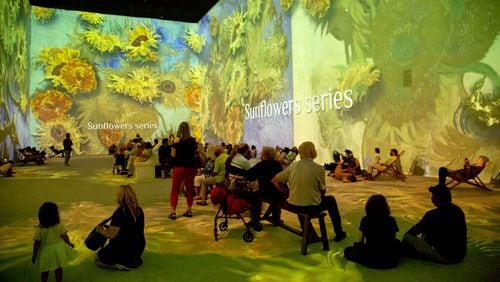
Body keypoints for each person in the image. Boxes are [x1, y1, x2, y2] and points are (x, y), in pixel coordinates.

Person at [272, 141, 347, 241]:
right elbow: (322, 191)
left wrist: (288, 192)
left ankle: (309, 233)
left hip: (293, 204)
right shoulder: (319, 169)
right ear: (312, 152)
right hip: (310, 206)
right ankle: (339, 232)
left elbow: (275, 181)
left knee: (302, 201)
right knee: (331, 200)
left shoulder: (293, 166)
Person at [402, 184, 467, 264]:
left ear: (435, 198)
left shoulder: (432, 214)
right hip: (459, 255)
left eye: (433, 195)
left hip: (444, 256)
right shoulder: (458, 211)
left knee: (407, 238)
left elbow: (411, 233)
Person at [96, 184, 145, 270]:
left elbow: (111, 235)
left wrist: (100, 230)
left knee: (99, 256)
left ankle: (121, 263)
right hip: (139, 246)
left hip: (123, 249)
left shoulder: (119, 213)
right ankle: (132, 259)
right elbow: (130, 228)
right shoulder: (138, 210)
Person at [344, 194, 401, 269]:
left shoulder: (365, 220)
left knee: (349, 249)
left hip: (371, 258)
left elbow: (360, 240)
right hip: (389, 260)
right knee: (398, 243)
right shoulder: (391, 220)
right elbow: (393, 239)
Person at [32, 202, 76, 282]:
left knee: (45, 268)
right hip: (58, 249)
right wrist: (69, 243)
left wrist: (34, 254)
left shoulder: (39, 229)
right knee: (58, 267)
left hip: (46, 251)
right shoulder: (59, 225)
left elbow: (36, 243)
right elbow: (65, 236)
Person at [245, 146, 286, 225]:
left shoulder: (260, 165)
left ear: (263, 155)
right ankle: (276, 218)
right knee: (277, 196)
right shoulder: (277, 164)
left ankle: (255, 219)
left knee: (255, 197)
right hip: (276, 192)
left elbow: (248, 175)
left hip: (265, 192)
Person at [169, 122, 197, 220]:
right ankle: (188, 210)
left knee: (175, 189)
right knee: (189, 189)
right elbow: (194, 153)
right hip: (191, 167)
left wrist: (173, 144)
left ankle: (173, 212)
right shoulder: (193, 141)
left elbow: (173, 155)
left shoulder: (177, 141)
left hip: (179, 167)